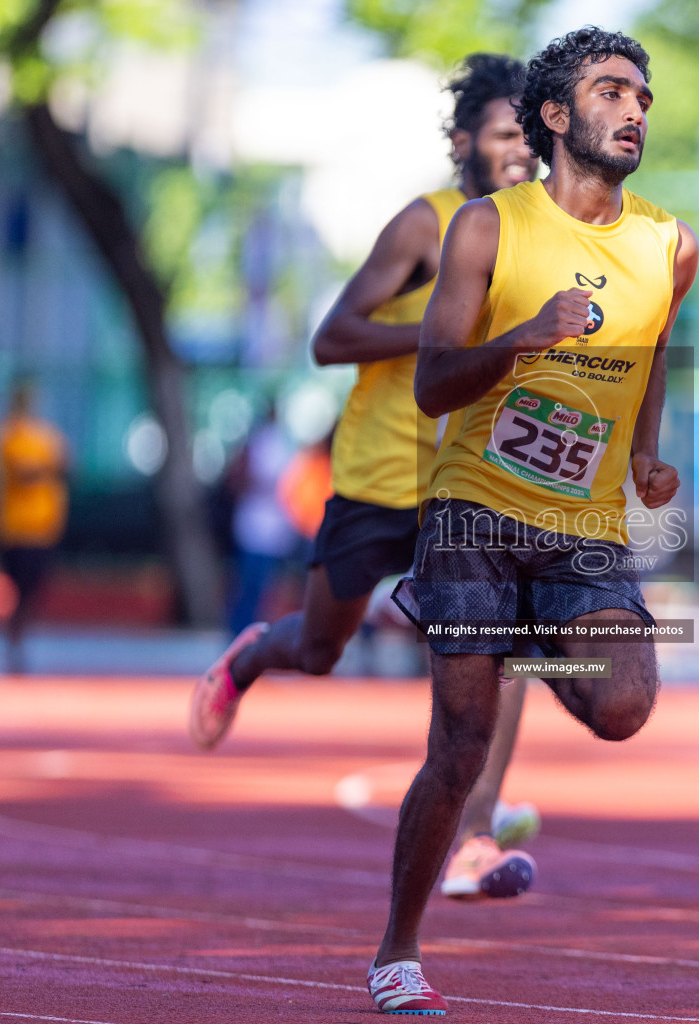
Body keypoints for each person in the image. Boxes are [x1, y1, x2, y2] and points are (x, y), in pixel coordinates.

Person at [363, 27, 699, 1014]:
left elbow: (656, 350)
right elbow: (431, 385)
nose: (635, 108)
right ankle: (398, 948)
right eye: (611, 91)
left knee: (624, 704)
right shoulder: (487, 229)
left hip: (583, 527)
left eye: (643, 93)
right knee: (462, 743)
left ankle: (521, 648)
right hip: (474, 514)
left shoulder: (666, 245)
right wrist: (526, 337)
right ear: (556, 117)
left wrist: (641, 451)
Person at [189, 54, 546, 902]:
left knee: (499, 649)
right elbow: (332, 336)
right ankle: (248, 659)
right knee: (319, 648)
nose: (523, 152)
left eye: (532, 136)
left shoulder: (541, 233)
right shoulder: (425, 226)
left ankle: (478, 833)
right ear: (465, 143)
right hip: (380, 473)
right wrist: (436, 333)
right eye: (505, 135)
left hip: (469, 483)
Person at [0, 381, 70, 674]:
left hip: (43, 527)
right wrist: (47, 467)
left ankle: (18, 641)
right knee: (15, 590)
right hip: (14, 527)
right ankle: (11, 641)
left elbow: (66, 464)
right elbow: (23, 473)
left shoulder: (46, 435)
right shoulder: (8, 434)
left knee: (33, 591)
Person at [222, 401, 298, 636]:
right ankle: (240, 631)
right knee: (249, 585)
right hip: (255, 526)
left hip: (271, 527)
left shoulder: (281, 443)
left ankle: (253, 632)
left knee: (264, 586)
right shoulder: (259, 443)